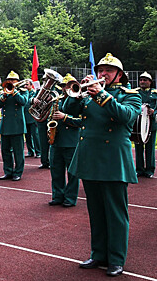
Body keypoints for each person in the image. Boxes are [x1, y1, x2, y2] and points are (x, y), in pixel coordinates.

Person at [63, 53, 141, 277]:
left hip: (113, 161)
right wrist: (77, 95)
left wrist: (102, 94)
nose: (102, 74)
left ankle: (116, 259)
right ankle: (98, 254)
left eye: (107, 70)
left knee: (116, 213)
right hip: (90, 159)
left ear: (119, 75)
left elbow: (125, 116)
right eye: (100, 70)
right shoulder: (88, 96)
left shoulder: (129, 95)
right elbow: (70, 111)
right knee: (95, 211)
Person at [48, 74, 81, 207]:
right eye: (63, 86)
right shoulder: (58, 100)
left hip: (71, 141)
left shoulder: (80, 100)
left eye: (68, 85)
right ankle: (58, 196)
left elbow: (82, 121)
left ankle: (70, 198)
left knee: (72, 173)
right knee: (56, 171)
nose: (65, 88)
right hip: (57, 140)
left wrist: (65, 117)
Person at [0, 71, 28, 181]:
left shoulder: (23, 91)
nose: (11, 82)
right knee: (5, 151)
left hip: (17, 126)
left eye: (13, 80)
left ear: (18, 82)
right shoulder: (4, 91)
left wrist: (15, 92)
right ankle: (8, 171)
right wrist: (3, 96)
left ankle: (18, 172)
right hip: (5, 126)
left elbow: (23, 102)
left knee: (18, 151)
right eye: (9, 80)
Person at [134, 71, 157, 178]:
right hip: (138, 125)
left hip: (151, 124)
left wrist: (154, 112)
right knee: (138, 147)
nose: (142, 82)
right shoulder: (135, 92)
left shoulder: (155, 93)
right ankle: (139, 169)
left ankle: (150, 170)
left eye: (145, 80)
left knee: (150, 147)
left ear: (150, 82)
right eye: (141, 80)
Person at [24, 81, 41, 158]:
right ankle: (30, 151)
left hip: (32, 118)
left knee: (35, 136)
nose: (25, 86)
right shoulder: (23, 93)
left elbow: (32, 100)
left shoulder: (34, 93)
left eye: (27, 84)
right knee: (27, 136)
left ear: (31, 85)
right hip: (25, 118)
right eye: (24, 84)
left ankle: (38, 152)